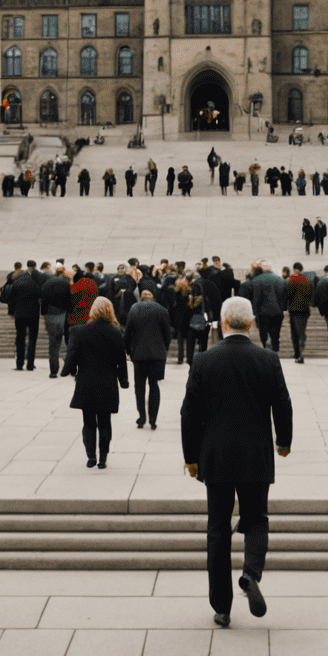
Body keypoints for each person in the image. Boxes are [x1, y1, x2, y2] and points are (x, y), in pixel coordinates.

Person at [180, 295, 293, 627]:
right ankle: (251, 572)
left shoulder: (203, 360)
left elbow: (189, 414)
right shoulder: (268, 358)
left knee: (217, 529)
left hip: (215, 457)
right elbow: (282, 403)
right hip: (256, 455)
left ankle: (222, 606)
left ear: (223, 322)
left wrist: (191, 458)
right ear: (252, 323)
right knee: (256, 518)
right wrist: (283, 441)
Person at [62, 296, 129, 468]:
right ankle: (103, 458)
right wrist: (124, 380)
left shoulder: (79, 331)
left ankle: (91, 456)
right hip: (107, 381)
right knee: (105, 421)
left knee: (89, 421)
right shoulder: (115, 331)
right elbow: (121, 360)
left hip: (86, 381)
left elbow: (72, 354)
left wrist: (67, 370)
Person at [124, 287, 172, 429]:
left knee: (139, 387)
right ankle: (153, 419)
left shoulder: (134, 309)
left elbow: (128, 333)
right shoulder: (162, 310)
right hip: (157, 354)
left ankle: (142, 417)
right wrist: (164, 350)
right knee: (154, 385)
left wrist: (128, 351)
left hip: (139, 354)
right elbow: (167, 335)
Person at [8, 261, 43, 370]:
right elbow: (40, 299)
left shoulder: (17, 283)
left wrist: (11, 312)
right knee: (32, 339)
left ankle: (19, 364)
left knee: (20, 338)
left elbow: (11, 300)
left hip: (19, 315)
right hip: (33, 315)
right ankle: (30, 364)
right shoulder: (35, 285)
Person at [249, 262, 288, 353]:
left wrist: (255, 311)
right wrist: (283, 308)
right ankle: (275, 350)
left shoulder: (257, 280)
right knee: (275, 333)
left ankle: (265, 347)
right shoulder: (280, 279)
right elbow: (284, 296)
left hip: (263, 312)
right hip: (277, 311)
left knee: (263, 332)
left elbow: (256, 298)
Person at [42, 265, 73, 378]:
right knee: (66, 341)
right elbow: (69, 299)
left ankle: (53, 370)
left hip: (50, 314)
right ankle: (70, 368)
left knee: (53, 343)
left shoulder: (47, 283)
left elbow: (43, 300)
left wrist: (44, 313)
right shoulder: (66, 283)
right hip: (62, 314)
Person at [285, 262, 312, 364]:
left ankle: (298, 354)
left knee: (295, 333)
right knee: (301, 331)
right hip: (305, 310)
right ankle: (300, 352)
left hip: (294, 310)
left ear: (295, 269)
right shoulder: (307, 280)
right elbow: (310, 295)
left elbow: (288, 294)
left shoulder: (291, 280)